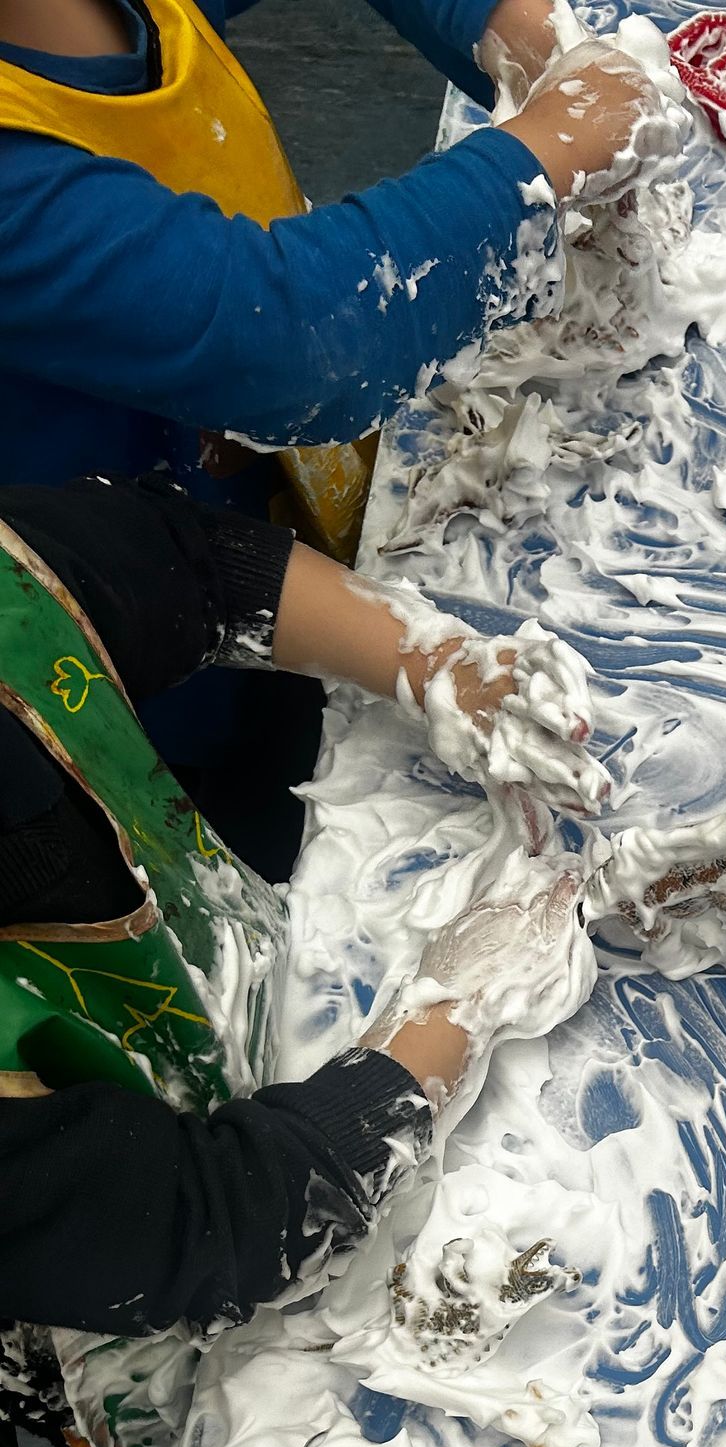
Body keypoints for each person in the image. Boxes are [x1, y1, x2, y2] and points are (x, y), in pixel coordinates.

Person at [0, 470, 600, 1447]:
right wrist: (461, 999)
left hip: (201, 1015)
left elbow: (180, 562)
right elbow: (208, 1228)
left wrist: (441, 666)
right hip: (103, 1281)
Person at [0, 0, 668, 863]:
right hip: (119, 651)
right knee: (230, 819)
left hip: (284, 538)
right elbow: (296, 340)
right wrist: (558, 144)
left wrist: (531, 38)